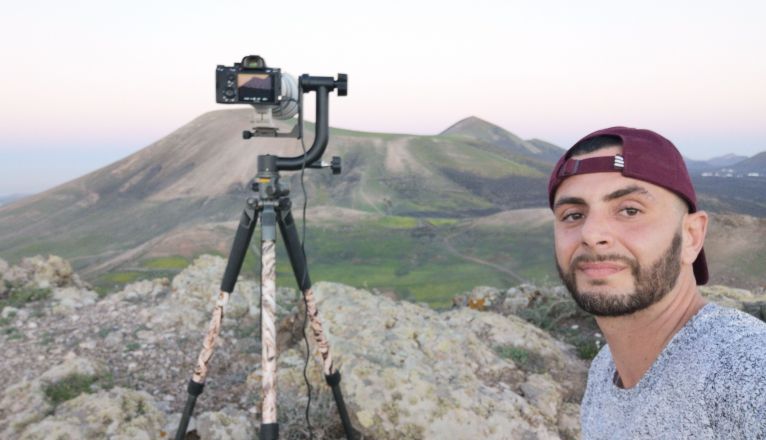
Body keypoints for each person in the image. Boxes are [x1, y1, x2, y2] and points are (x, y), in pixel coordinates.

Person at [547, 127, 766, 439]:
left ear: (691, 236)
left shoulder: (745, 370)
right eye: (572, 215)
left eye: (630, 210)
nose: (591, 235)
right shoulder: (603, 370)